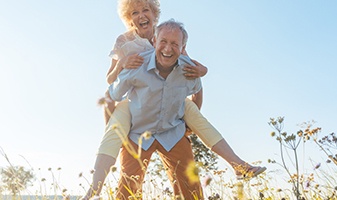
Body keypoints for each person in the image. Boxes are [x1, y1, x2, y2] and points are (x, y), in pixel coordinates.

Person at [81, 0, 266, 199]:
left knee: (191, 182)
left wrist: (203, 72)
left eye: (146, 10)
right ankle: (95, 186)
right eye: (135, 12)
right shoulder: (128, 48)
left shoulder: (171, 43)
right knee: (128, 187)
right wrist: (122, 65)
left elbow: (195, 78)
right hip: (138, 120)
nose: (141, 15)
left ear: (154, 14)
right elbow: (111, 85)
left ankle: (238, 165)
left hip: (171, 126)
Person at [108, 19, 203, 199]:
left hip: (172, 132)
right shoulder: (137, 65)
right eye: (164, 42)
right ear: (154, 42)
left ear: (183, 47)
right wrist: (116, 134)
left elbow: (197, 89)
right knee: (127, 190)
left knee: (191, 190)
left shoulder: (188, 69)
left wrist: (189, 127)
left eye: (175, 44)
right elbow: (112, 94)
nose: (168, 49)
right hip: (138, 134)